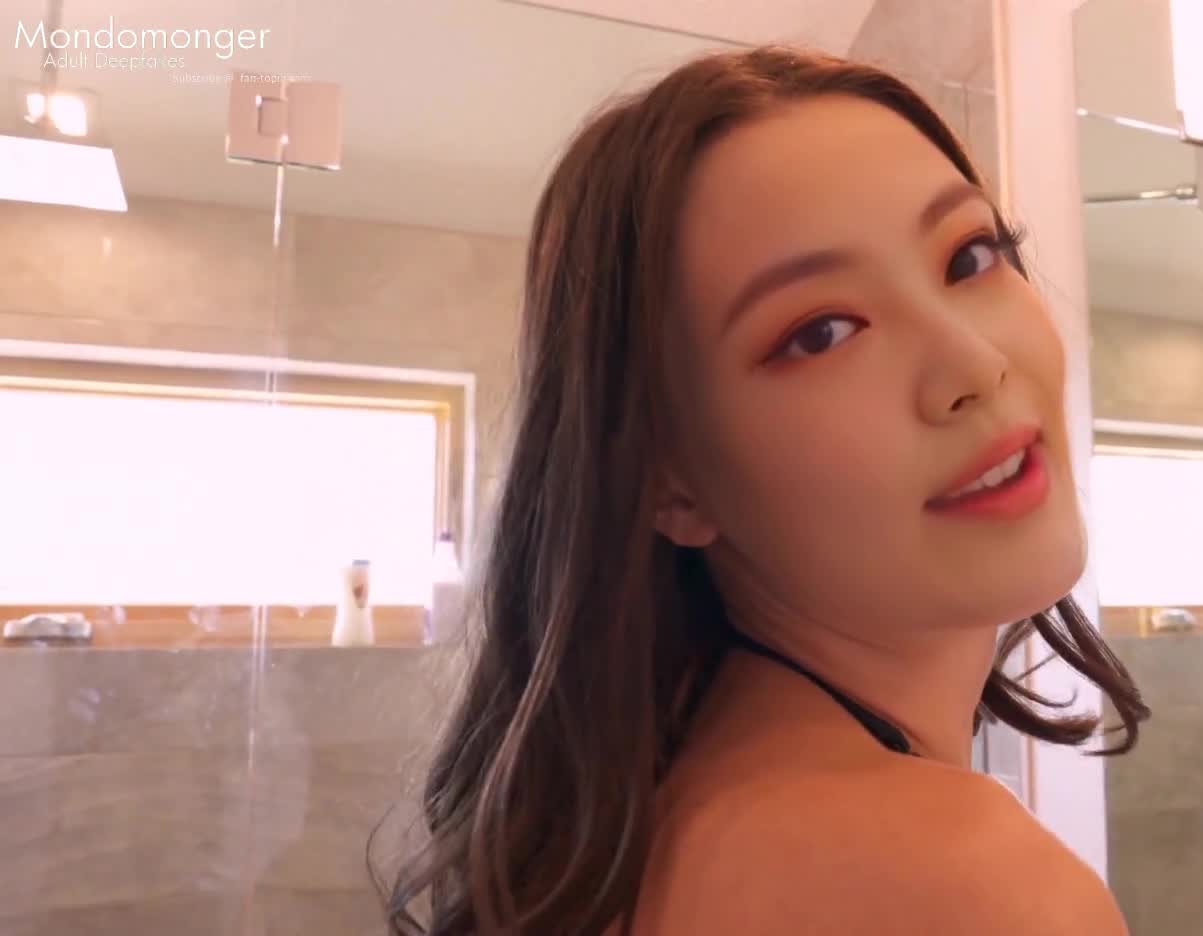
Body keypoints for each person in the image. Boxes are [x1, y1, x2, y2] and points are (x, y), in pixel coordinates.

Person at [377, 45, 1148, 936]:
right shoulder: (965, 887)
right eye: (821, 332)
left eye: (970, 257)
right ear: (670, 482)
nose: (973, 365)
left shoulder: (680, 808)